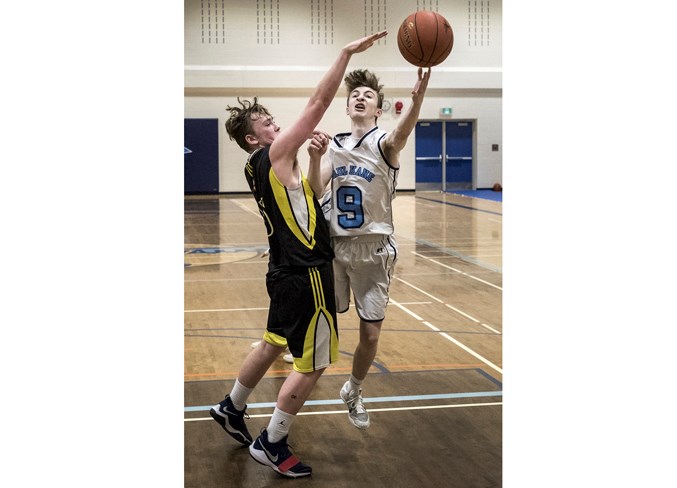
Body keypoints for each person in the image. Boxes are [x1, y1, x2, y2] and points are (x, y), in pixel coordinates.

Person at [209, 30, 387, 479]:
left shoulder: (263, 165)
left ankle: (232, 405)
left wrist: (314, 159)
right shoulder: (272, 153)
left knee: (273, 340)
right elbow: (316, 104)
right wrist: (345, 54)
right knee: (313, 363)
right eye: (267, 123)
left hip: (281, 270)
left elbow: (306, 195)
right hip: (307, 274)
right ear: (255, 140)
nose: (275, 125)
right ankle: (272, 441)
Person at [307, 67, 431, 430]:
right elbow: (315, 191)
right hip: (334, 248)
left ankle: (354, 390)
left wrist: (417, 99)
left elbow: (404, 130)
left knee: (370, 334)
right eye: (355, 95)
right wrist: (314, 159)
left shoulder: (384, 143)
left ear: (378, 109)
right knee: (322, 323)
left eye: (368, 96)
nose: (360, 98)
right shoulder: (334, 145)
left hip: (374, 249)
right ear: (347, 107)